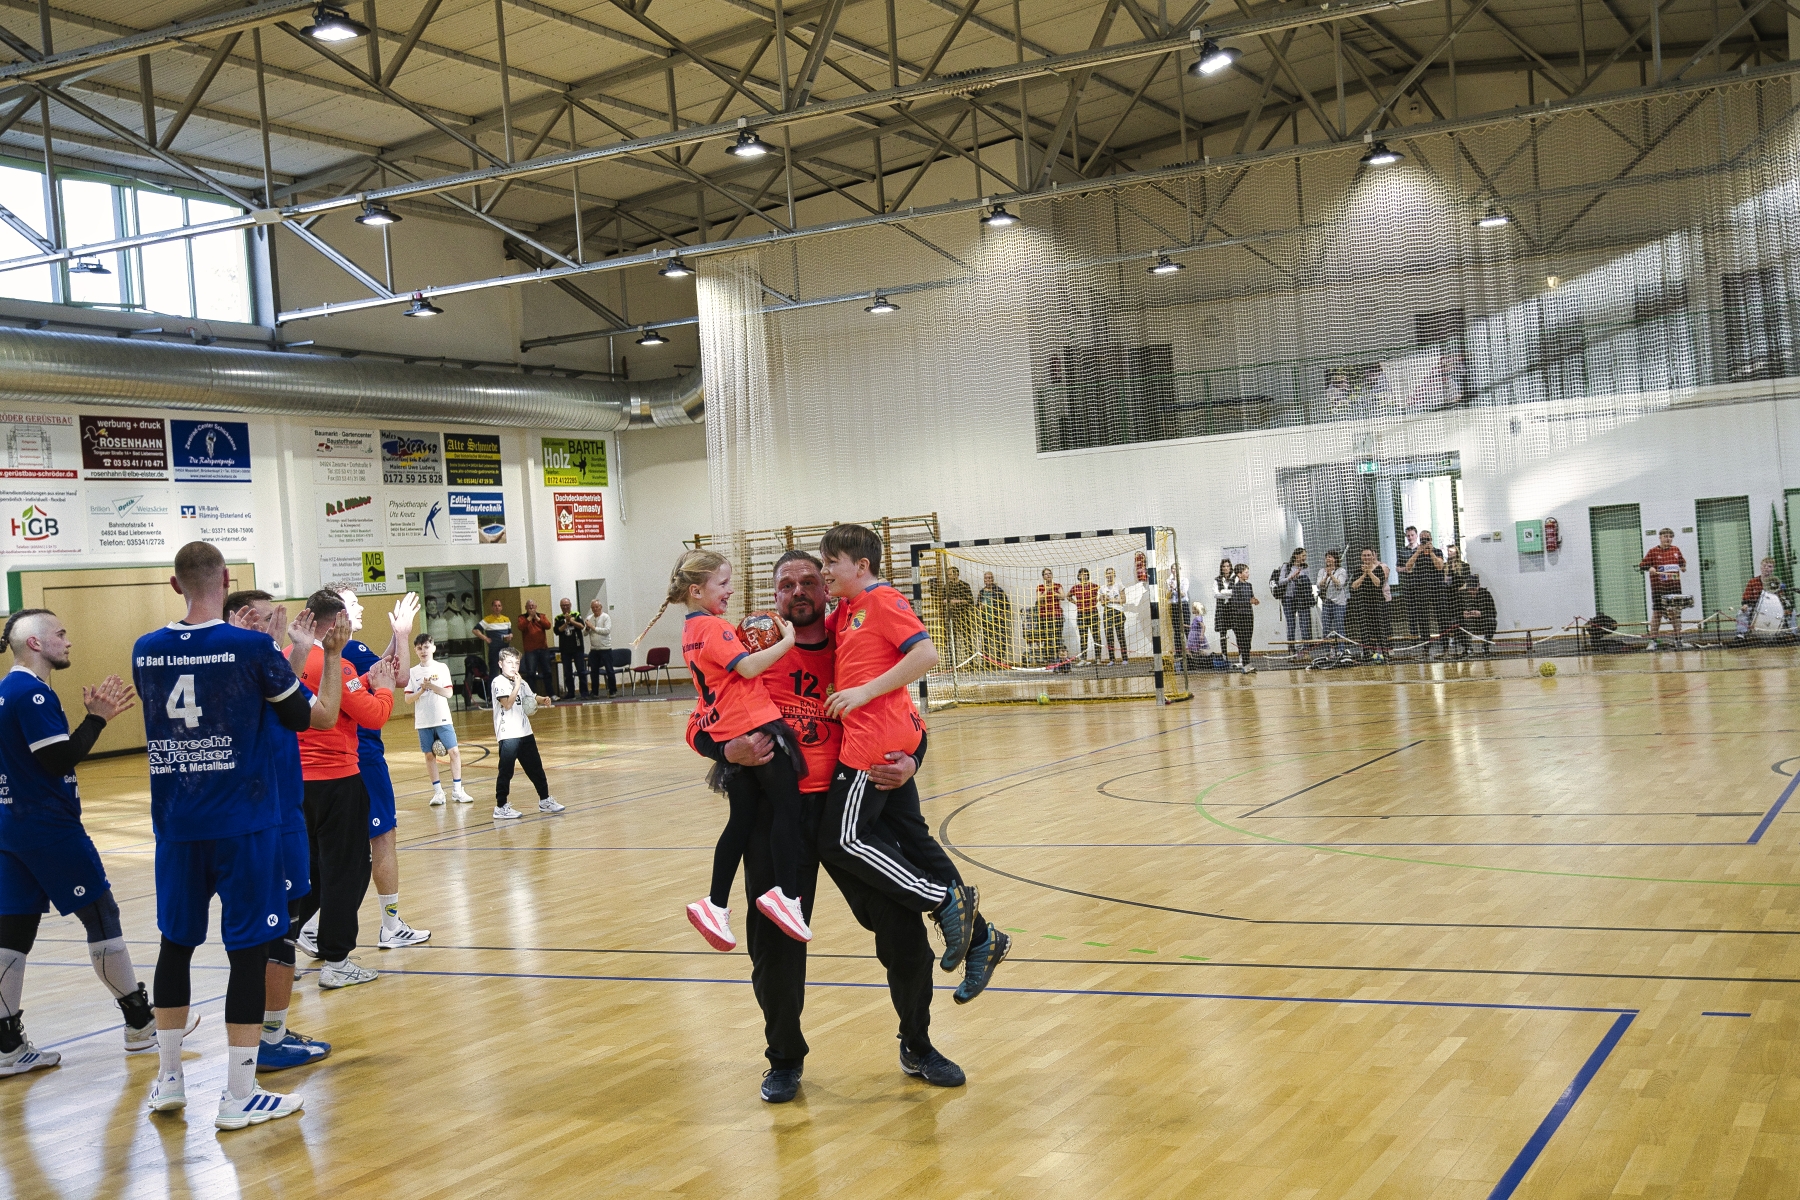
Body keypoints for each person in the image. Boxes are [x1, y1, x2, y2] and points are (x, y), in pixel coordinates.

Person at [694, 551, 966, 1102]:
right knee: (774, 946)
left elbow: (906, 716)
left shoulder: (858, 641)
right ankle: (783, 1059)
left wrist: (913, 761)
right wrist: (726, 749)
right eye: (785, 584)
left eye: (809, 581)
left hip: (854, 813)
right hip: (778, 819)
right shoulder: (750, 652)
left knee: (903, 932)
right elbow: (700, 722)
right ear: (774, 597)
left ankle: (917, 1043)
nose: (798, 591)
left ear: (828, 589)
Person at [133, 541, 315, 1128]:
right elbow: (297, 716)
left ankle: (169, 1079)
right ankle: (238, 1094)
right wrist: (282, 656)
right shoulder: (251, 647)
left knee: (175, 946)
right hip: (243, 823)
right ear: (227, 579)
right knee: (247, 952)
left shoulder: (145, 649)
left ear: (175, 584)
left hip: (177, 825)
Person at [817, 524, 1007, 1001]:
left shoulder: (882, 599)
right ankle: (984, 939)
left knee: (840, 838)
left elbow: (926, 653)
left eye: (831, 562)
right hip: (887, 737)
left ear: (862, 566)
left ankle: (943, 900)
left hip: (871, 744)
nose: (824, 571)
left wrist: (863, 692)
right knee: (917, 841)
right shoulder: (847, 609)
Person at [0, 609, 152, 1078]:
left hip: (10, 827)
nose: (68, 641)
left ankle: (6, 1045)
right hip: (48, 827)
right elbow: (57, 759)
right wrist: (97, 719)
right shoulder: (30, 693)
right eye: (60, 634)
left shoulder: (6, 690)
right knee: (101, 915)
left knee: (13, 931)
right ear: (35, 643)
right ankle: (140, 1023)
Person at [645, 549, 811, 949]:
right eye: (723, 583)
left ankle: (715, 903)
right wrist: (788, 641)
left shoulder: (690, 630)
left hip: (727, 732)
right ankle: (786, 895)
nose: (730, 590)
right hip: (755, 723)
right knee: (789, 808)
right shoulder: (713, 627)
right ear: (696, 590)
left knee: (741, 819)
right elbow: (748, 668)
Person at [221, 590, 338, 1074]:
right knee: (272, 936)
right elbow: (263, 703)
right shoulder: (235, 672)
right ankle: (264, 1042)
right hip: (262, 820)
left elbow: (323, 716)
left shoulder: (265, 670)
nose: (282, 626)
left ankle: (269, 1034)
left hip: (280, 814)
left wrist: (323, 654)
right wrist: (301, 652)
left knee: (278, 932)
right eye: (268, 619)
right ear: (239, 620)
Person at [297, 588, 427, 959]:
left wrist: (397, 640)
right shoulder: (343, 652)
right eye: (352, 603)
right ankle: (382, 926)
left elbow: (380, 669)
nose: (360, 607)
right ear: (337, 616)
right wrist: (401, 635)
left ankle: (314, 927)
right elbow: (396, 677)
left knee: (327, 856)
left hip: (313, 770)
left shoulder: (312, 652)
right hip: (357, 759)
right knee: (373, 845)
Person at [489, 648, 565, 820]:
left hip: (525, 731)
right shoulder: (498, 682)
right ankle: (500, 806)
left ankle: (545, 800)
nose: (513, 666)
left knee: (536, 768)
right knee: (506, 771)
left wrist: (542, 699)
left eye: (516, 663)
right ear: (500, 664)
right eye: (509, 662)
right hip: (508, 734)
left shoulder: (521, 682)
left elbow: (531, 696)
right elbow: (507, 704)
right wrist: (517, 685)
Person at [406, 633, 472, 805]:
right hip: (423, 721)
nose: (423, 651)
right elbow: (408, 699)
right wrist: (421, 691)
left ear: (433, 648)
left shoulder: (442, 668)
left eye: (426, 647)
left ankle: (457, 790)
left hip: (442, 718)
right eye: (419, 648)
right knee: (429, 755)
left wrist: (432, 686)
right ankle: (438, 793)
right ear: (415, 650)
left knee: (454, 752)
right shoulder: (412, 672)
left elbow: (448, 693)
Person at [1638, 529, 1688, 647]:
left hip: (1674, 588)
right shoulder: (1653, 551)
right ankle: (1653, 641)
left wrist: (1683, 567)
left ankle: (1678, 640)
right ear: (1660, 537)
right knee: (1657, 613)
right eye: (1665, 536)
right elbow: (1642, 565)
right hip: (1659, 588)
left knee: (1675, 613)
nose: (1668, 539)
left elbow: (1682, 563)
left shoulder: (1676, 550)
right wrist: (1649, 568)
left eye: (1670, 537)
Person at [1401, 529, 1444, 653]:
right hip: (1421, 589)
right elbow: (1408, 567)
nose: (1424, 541)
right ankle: (1426, 648)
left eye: (1426, 538)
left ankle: (1445, 647)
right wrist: (1418, 551)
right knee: (1423, 619)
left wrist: (1430, 552)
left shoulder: (1437, 551)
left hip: (1437, 588)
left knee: (1441, 617)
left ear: (1431, 539)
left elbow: (1440, 566)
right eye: (1422, 539)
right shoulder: (1416, 552)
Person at [1348, 547, 1393, 661]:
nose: (1367, 557)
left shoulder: (1379, 569)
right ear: (1361, 557)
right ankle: (1367, 655)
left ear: (1373, 556)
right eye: (1364, 555)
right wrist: (1364, 574)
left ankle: (1385, 654)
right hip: (1363, 605)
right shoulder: (1358, 570)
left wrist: (1369, 572)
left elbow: (1378, 583)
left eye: (1369, 555)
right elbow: (1353, 586)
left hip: (1377, 604)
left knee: (1380, 630)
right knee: (1365, 630)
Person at [1220, 563, 1258, 672]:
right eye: (1246, 572)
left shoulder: (1249, 585)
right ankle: (1245, 665)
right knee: (1242, 641)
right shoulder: (1236, 587)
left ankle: (1247, 663)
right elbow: (1235, 603)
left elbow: (1251, 597)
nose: (1248, 574)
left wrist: (1254, 600)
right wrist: (1248, 601)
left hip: (1249, 615)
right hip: (1240, 617)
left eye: (1248, 572)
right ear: (1239, 574)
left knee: (1248, 641)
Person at [1736, 557, 1787, 638]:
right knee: (1741, 613)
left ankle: (1789, 633)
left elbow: (1781, 598)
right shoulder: (1753, 582)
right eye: (1764, 566)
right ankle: (1741, 634)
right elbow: (1746, 596)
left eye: (1769, 566)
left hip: (1772, 608)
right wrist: (1745, 605)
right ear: (1761, 567)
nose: (1766, 568)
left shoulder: (1776, 583)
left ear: (1773, 569)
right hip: (1754, 607)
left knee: (1790, 612)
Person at [1278, 548, 1316, 656]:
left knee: (1304, 624)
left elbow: (1307, 583)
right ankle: (1291, 650)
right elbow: (1280, 581)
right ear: (1296, 556)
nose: (1305, 558)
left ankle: (1306, 650)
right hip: (1288, 599)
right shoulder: (1286, 566)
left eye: (1305, 556)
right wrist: (1292, 577)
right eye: (1303, 555)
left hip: (1302, 599)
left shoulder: (1305, 568)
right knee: (1291, 624)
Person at [1450, 575, 1498, 656]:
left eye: (1474, 589)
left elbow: (1493, 613)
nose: (1471, 591)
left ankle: (1485, 647)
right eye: (1469, 589)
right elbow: (1453, 612)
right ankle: (1467, 648)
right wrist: (1462, 614)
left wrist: (1480, 613)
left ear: (1478, 585)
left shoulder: (1486, 594)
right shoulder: (1460, 595)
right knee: (1454, 623)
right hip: (1466, 624)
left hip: (1481, 623)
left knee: (1493, 621)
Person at [517, 600, 554, 700]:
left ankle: (551, 694)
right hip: (530, 651)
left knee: (547, 671)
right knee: (531, 673)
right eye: (529, 606)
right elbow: (521, 627)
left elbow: (548, 625)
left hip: (543, 649)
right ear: (526, 608)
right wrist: (529, 617)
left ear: (536, 607)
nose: (531, 608)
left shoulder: (541, 616)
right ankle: (532, 695)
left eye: (533, 606)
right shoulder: (522, 617)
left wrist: (537, 618)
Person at [554, 598, 589, 698]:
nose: (565, 607)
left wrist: (571, 621)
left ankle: (584, 692)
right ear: (561, 607)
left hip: (577, 647)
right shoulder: (558, 618)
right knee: (567, 672)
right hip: (565, 649)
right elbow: (557, 631)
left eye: (567, 605)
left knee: (581, 671)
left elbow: (581, 626)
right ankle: (571, 693)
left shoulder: (576, 614)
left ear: (570, 605)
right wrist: (566, 622)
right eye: (563, 605)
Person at [975, 572, 1013, 664]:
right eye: (986, 578)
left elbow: (1006, 604)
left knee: (1001, 640)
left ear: (993, 579)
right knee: (986, 641)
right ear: (984, 580)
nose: (988, 580)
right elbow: (977, 605)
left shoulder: (999, 591)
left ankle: (999, 661)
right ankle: (986, 662)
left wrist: (1002, 613)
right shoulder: (982, 592)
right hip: (986, 620)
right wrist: (980, 607)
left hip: (998, 619)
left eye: (990, 578)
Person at [1030, 568, 1064, 665]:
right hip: (1044, 616)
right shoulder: (1040, 587)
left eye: (1049, 573)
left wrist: (1053, 592)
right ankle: (1048, 659)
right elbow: (1038, 599)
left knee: (1057, 637)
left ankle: (1059, 658)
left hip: (1057, 616)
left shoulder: (1057, 586)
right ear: (1043, 577)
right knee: (1047, 638)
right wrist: (1046, 591)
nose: (1048, 575)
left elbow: (1063, 596)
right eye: (1046, 574)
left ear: (1052, 575)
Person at [585, 598, 618, 697]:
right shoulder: (589, 618)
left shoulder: (606, 617)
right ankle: (594, 692)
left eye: (597, 607)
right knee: (594, 671)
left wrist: (593, 627)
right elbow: (584, 633)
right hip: (594, 649)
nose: (595, 609)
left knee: (609, 670)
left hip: (605, 649)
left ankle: (613, 690)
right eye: (593, 607)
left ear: (601, 607)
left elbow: (607, 630)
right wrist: (587, 628)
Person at [943, 567, 976, 665]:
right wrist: (948, 601)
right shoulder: (946, 587)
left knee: (967, 639)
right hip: (951, 616)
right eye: (948, 575)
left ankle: (971, 662)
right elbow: (943, 600)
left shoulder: (964, 585)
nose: (948, 577)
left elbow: (970, 601)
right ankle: (953, 663)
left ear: (956, 574)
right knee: (951, 639)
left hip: (963, 615)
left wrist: (956, 601)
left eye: (950, 574)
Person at [1068, 568, 1101, 663]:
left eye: (1086, 574)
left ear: (1088, 575)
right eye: (1082, 574)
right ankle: (1083, 659)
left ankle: (1098, 658)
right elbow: (1068, 596)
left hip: (1093, 613)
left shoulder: (1094, 586)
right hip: (1081, 614)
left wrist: (1096, 601)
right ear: (1079, 576)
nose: (1084, 576)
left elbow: (1101, 594)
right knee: (1083, 637)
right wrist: (1076, 603)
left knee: (1096, 636)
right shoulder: (1076, 587)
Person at [1098, 567, 1129, 663]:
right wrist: (1104, 599)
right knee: (1109, 635)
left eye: (1111, 573)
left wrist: (1110, 599)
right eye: (1108, 573)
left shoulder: (1119, 585)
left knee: (1120, 635)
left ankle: (1125, 658)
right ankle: (1112, 659)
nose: (1109, 575)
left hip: (1118, 611)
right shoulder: (1102, 588)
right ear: (1105, 576)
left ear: (1114, 574)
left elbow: (1123, 600)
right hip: (1107, 611)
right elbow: (1102, 603)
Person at [1318, 550, 1348, 646]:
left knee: (1339, 626)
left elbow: (1340, 585)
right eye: (1326, 557)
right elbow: (1319, 585)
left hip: (1339, 603)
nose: (1328, 559)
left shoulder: (1341, 571)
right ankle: (1328, 650)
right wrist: (1326, 576)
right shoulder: (1322, 571)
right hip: (1327, 602)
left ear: (1335, 559)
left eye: (1330, 557)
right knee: (1326, 627)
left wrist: (1331, 575)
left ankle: (1341, 649)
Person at [478, 598, 512, 676]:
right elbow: (475, 630)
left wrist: (510, 636)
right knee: (494, 672)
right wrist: (485, 638)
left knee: (506, 672)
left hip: (505, 649)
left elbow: (510, 633)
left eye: (499, 606)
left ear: (501, 607)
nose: (497, 607)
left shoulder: (506, 619)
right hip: (494, 650)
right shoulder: (487, 619)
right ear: (492, 608)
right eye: (495, 606)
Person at [1211, 558, 1236, 653]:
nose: (1226, 568)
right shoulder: (1217, 580)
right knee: (1222, 634)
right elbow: (1216, 594)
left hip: (1233, 609)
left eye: (1227, 566)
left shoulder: (1235, 578)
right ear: (1221, 568)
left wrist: (1222, 591)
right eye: (1224, 566)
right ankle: (1224, 656)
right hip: (1221, 609)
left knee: (1238, 631)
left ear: (1230, 567)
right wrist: (1228, 593)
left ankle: (1241, 657)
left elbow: (1235, 592)